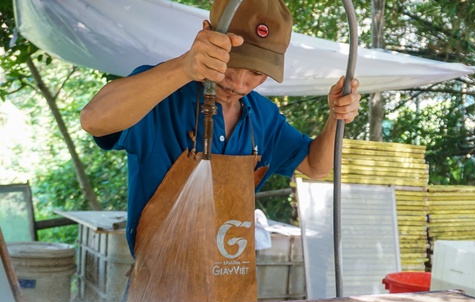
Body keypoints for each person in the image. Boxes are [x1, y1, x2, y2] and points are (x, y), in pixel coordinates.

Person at [80, 0, 361, 256]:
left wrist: (336, 117)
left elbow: (316, 165)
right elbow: (93, 119)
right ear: (207, 34)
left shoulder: (264, 116)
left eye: (256, 73)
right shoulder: (160, 93)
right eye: (232, 62)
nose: (238, 84)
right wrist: (184, 67)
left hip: (230, 283)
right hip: (157, 288)